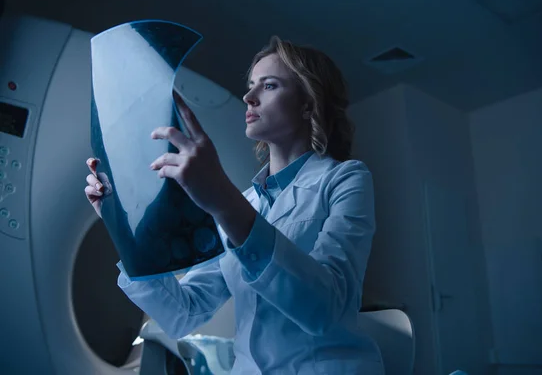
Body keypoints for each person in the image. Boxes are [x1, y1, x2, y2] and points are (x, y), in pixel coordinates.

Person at [85, 36, 384, 374]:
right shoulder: (245, 203)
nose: (248, 96)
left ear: (308, 104)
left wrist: (222, 199)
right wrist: (121, 225)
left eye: (268, 85)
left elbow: (326, 308)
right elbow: (184, 311)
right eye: (250, 85)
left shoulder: (345, 179)